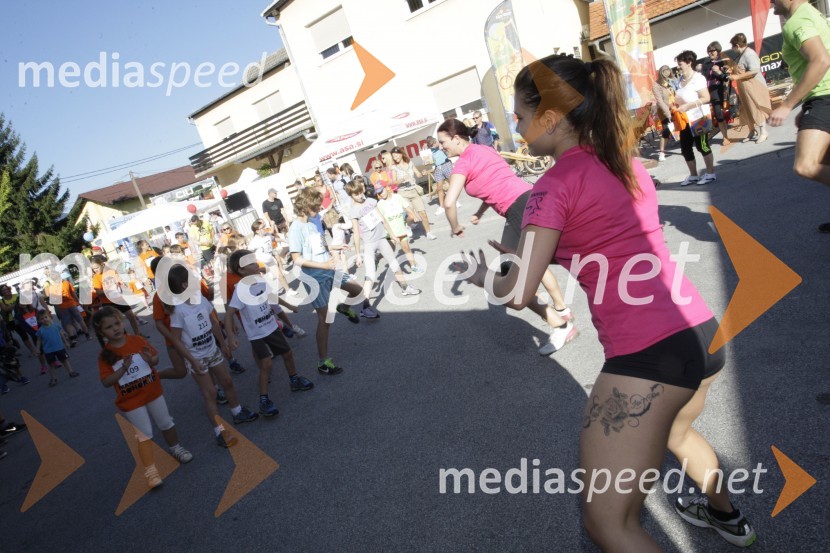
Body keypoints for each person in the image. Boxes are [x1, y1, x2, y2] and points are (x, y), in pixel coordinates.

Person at [458, 53, 756, 550]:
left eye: (521, 115)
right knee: (678, 436)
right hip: (701, 332)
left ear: (550, 118)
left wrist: (489, 271)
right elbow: (606, 239)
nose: (515, 124)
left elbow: (520, 293)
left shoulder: (551, 188)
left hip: (649, 354)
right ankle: (728, 518)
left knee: (608, 524)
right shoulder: (624, 160)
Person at [436, 118, 576, 355]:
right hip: (532, 198)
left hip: (518, 209)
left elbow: (449, 203)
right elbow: (495, 183)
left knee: (512, 280)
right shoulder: (484, 150)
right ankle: (562, 310)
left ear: (456, 138)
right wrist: (480, 212)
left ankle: (560, 324)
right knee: (533, 263)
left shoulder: (462, 163)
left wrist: (455, 226)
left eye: (442, 142)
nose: (441, 147)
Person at [93, 306, 193, 488]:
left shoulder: (137, 340)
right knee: (144, 434)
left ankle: (176, 448)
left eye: (117, 323)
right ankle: (151, 470)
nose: (115, 329)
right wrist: (123, 368)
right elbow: (107, 382)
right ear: (101, 332)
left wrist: (150, 359)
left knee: (166, 422)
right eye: (109, 327)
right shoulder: (105, 355)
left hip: (152, 391)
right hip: (131, 401)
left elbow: (155, 360)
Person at [162, 264, 258, 447]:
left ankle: (237, 412)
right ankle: (219, 431)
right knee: (210, 393)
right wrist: (191, 361)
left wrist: (223, 344)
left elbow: (213, 323)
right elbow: (176, 340)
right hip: (196, 357)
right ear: (184, 285)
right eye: (191, 277)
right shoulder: (179, 311)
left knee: (227, 382)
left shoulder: (201, 300)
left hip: (212, 350)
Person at [287, 187, 375, 375]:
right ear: (305, 205)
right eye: (316, 206)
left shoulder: (313, 222)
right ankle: (323, 362)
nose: (319, 209)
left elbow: (318, 244)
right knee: (325, 319)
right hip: (314, 277)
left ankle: (343, 307)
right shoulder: (295, 228)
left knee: (357, 291)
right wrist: (323, 266)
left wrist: (335, 246)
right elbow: (296, 259)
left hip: (329, 268)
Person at [225, 250, 314, 417]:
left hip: (271, 327)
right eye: (251, 263)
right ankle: (264, 400)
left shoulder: (260, 280)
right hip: (257, 334)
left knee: (287, 354)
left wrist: (289, 306)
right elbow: (229, 313)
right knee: (266, 364)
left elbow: (272, 297)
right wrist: (230, 336)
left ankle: (294, 380)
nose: (256, 264)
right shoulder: (240, 290)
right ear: (242, 270)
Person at [769, 0, 830, 233]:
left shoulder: (796, 22)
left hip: (825, 97)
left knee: (806, 165)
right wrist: (805, 107)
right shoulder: (811, 13)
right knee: (825, 163)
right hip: (821, 97)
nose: (770, 1)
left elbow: (821, 60)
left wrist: (787, 105)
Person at [345, 178, 421, 316]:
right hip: (369, 244)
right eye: (356, 194)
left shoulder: (371, 201)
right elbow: (356, 232)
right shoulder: (354, 211)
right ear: (351, 196)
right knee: (370, 275)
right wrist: (357, 254)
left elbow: (383, 219)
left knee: (395, 265)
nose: (360, 195)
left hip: (382, 239)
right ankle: (365, 306)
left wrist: (392, 235)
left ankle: (405, 287)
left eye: (361, 192)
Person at [673, 50, 717, 186]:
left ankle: (710, 173)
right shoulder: (680, 80)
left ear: (689, 62)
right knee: (685, 148)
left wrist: (689, 105)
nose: (678, 67)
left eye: (680, 64)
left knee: (702, 145)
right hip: (684, 119)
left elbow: (706, 98)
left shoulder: (698, 78)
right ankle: (693, 175)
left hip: (698, 117)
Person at [728, 33, 772, 144]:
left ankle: (763, 132)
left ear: (737, 46)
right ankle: (752, 131)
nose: (732, 50)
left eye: (733, 47)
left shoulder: (749, 54)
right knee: (747, 109)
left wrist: (737, 76)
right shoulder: (740, 55)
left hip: (754, 86)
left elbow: (754, 70)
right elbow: (740, 69)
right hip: (744, 88)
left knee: (756, 108)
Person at [390, 147, 436, 240]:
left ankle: (428, 233)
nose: (395, 158)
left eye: (396, 155)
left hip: (414, 191)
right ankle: (407, 225)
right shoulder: (394, 167)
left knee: (423, 213)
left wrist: (423, 173)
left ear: (401, 154)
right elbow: (393, 182)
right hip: (403, 194)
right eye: (393, 157)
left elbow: (418, 174)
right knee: (411, 216)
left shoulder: (410, 163)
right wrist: (402, 179)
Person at [90, 256, 143, 337]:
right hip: (107, 303)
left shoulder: (111, 271)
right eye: (93, 269)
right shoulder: (96, 277)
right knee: (115, 320)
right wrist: (109, 291)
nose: (95, 270)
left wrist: (121, 283)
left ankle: (138, 334)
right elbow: (98, 291)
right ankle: (124, 336)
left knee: (130, 315)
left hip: (119, 299)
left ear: (101, 264)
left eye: (96, 267)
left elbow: (118, 280)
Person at [375, 181, 422, 273]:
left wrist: (414, 216)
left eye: (381, 191)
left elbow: (407, 207)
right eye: (378, 193)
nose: (380, 194)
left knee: (406, 248)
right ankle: (378, 257)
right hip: (390, 232)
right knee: (390, 249)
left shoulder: (397, 197)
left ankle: (413, 266)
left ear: (386, 188)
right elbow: (381, 220)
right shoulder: (379, 204)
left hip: (401, 228)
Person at [35, 310, 79, 387]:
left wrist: (66, 342)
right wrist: (38, 349)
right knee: (51, 365)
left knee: (64, 360)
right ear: (39, 321)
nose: (44, 319)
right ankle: (53, 378)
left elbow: (61, 334)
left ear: (49, 317)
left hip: (59, 347)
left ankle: (71, 371)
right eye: (42, 318)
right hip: (48, 350)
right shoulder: (40, 330)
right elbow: (39, 340)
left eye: (46, 317)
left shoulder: (55, 326)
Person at [702, 42, 732, 144]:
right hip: (711, 92)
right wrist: (710, 71)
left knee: (730, 112)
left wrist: (720, 71)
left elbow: (727, 76)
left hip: (723, 91)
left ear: (717, 50)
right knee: (718, 115)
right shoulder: (706, 63)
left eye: (712, 51)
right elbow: (704, 75)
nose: (710, 53)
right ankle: (725, 137)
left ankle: (751, 128)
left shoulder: (723, 60)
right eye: (708, 51)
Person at [425, 135, 458, 215]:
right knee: (439, 188)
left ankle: (455, 201)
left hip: (446, 164)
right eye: (431, 144)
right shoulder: (429, 151)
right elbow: (428, 160)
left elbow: (449, 152)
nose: (433, 145)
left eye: (433, 143)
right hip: (437, 168)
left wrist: (442, 148)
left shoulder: (441, 146)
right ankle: (442, 206)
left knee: (451, 183)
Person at [652, 65, 676, 161]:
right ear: (661, 73)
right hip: (664, 109)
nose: (667, 73)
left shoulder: (672, 81)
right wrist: (668, 113)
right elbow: (660, 101)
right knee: (666, 130)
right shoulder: (656, 84)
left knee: (681, 126)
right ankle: (661, 152)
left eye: (668, 71)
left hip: (675, 107)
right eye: (664, 71)